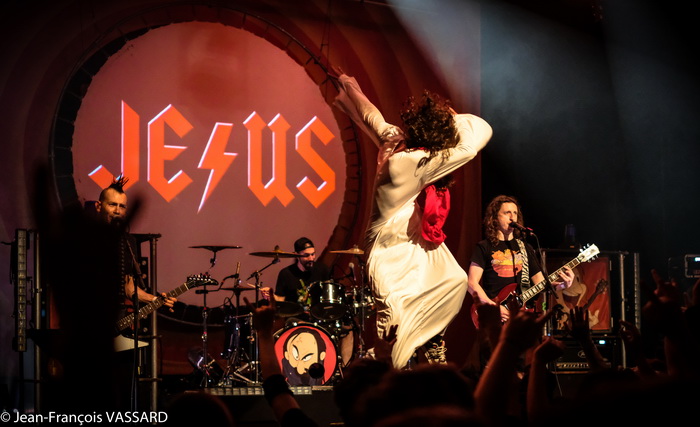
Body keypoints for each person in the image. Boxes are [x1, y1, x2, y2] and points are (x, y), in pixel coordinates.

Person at [333, 67, 493, 369]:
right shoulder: (416, 163)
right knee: (393, 315)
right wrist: (457, 120)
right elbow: (473, 142)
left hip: (410, 233)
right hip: (387, 245)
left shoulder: (396, 140)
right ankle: (379, 369)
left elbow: (371, 115)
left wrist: (349, 84)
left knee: (453, 279)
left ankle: (431, 342)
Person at [467, 195, 574, 325]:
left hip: (519, 317)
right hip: (494, 315)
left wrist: (562, 285)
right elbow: (471, 283)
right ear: (494, 218)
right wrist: (493, 307)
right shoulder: (484, 247)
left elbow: (541, 284)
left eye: (515, 213)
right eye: (507, 213)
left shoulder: (525, 248)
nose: (512, 217)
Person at [274, 236, 332, 317]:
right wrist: (269, 296)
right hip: (295, 318)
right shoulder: (286, 274)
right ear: (297, 255)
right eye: (306, 255)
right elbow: (280, 300)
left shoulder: (323, 270)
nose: (311, 258)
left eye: (313, 254)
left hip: (319, 317)